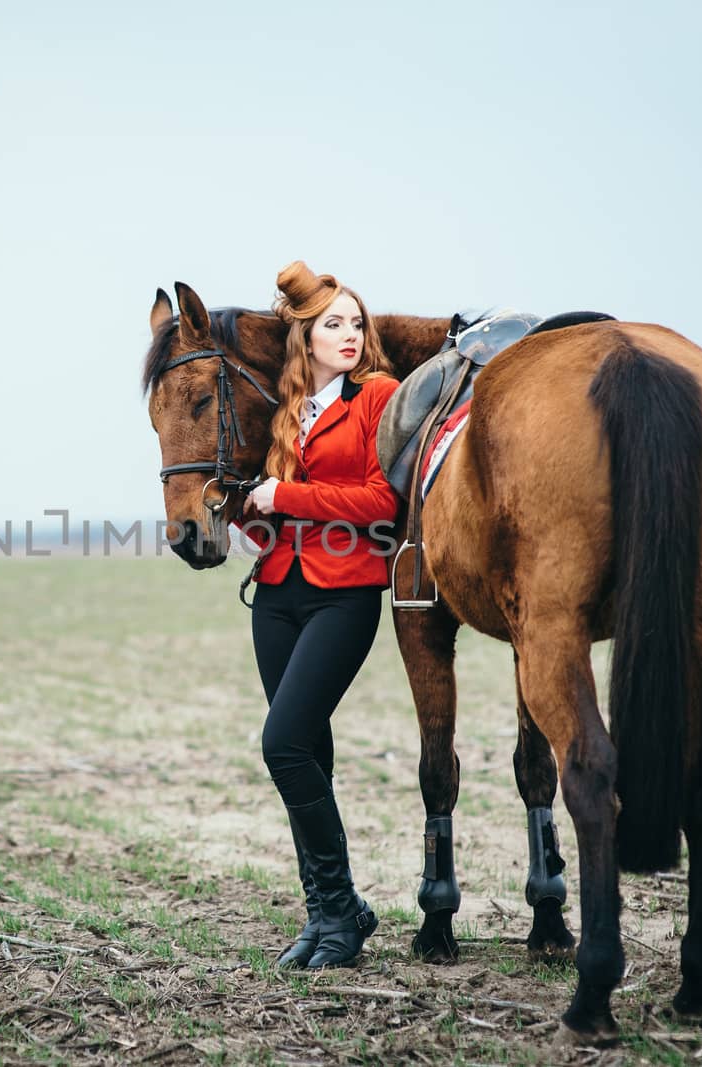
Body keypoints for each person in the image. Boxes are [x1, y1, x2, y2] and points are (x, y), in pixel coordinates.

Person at [236, 261, 400, 969]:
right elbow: (271, 517)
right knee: (311, 756)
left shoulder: (378, 398)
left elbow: (380, 502)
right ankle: (330, 914)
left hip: (346, 592)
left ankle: (338, 910)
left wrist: (286, 498)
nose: (350, 335)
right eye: (334, 324)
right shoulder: (285, 411)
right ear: (303, 337)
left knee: (283, 743)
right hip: (277, 592)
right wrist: (248, 513)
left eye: (357, 323)